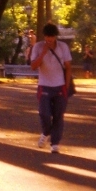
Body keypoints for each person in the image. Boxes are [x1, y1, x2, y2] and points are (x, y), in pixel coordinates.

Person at [30, 22, 72, 153]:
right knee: (44, 113)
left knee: (58, 116)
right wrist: (43, 53)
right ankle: (46, 132)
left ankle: (55, 143)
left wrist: (66, 85)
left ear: (55, 37)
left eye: (52, 36)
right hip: (44, 85)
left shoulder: (63, 47)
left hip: (60, 86)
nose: (49, 39)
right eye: (47, 36)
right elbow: (33, 66)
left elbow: (68, 67)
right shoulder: (37, 47)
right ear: (44, 36)